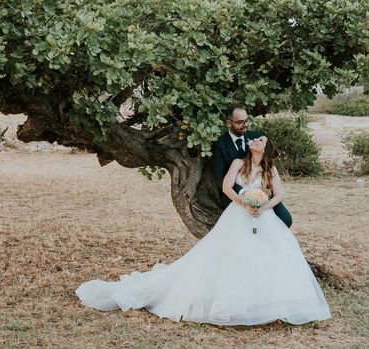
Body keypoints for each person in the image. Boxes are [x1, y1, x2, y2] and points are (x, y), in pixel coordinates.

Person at [75, 135, 331, 326]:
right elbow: (227, 188)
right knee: (231, 255)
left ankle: (266, 304)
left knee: (270, 256)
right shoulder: (238, 164)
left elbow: (280, 194)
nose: (255, 140)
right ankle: (231, 303)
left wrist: (263, 207)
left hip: (263, 216)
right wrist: (244, 202)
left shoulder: (270, 169)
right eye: (253, 138)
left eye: (261, 139)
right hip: (239, 214)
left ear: (267, 146)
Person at [212, 104, 292, 227]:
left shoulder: (256, 136)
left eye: (246, 121)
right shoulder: (220, 145)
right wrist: (246, 195)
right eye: (240, 122)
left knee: (285, 220)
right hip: (236, 190)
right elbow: (220, 180)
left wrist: (262, 200)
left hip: (262, 191)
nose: (245, 125)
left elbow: (269, 153)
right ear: (228, 123)